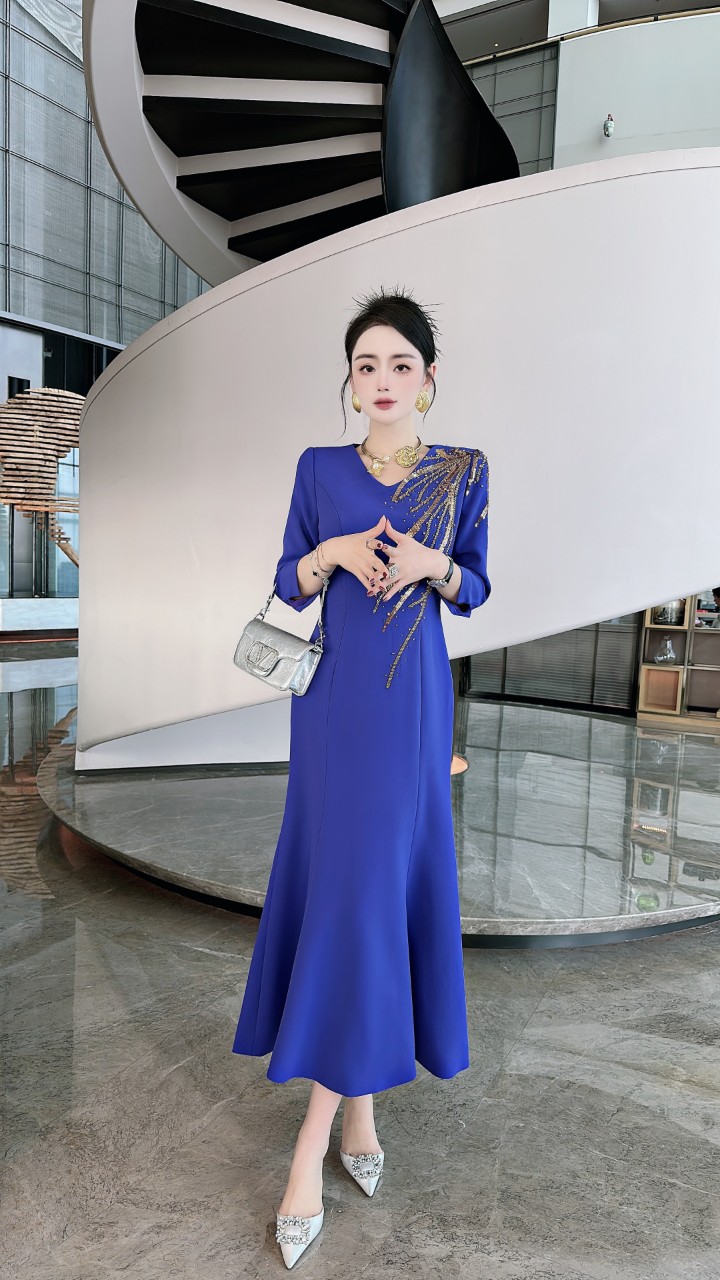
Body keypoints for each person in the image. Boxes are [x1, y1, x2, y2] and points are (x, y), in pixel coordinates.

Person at [231, 285, 491, 1268]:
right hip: (335, 705)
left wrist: (432, 564)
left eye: (400, 364)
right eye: (365, 365)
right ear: (350, 380)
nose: (381, 380)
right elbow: (286, 579)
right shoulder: (320, 467)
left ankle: (319, 1139)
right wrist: (333, 551)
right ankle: (354, 1116)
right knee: (349, 897)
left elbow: (476, 584)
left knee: (376, 899)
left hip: (413, 703)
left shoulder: (463, 470)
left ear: (428, 379)